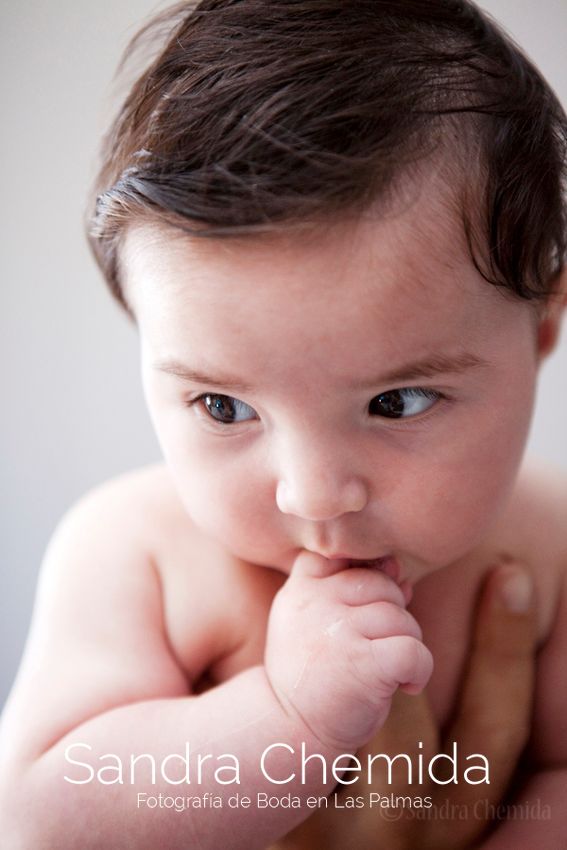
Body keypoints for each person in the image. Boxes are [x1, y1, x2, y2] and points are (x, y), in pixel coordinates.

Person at [0, 1, 566, 847]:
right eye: (223, 407)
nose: (313, 492)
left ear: (540, 334)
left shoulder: (549, 542)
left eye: (395, 403)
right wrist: (287, 722)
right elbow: (42, 813)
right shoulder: (135, 554)